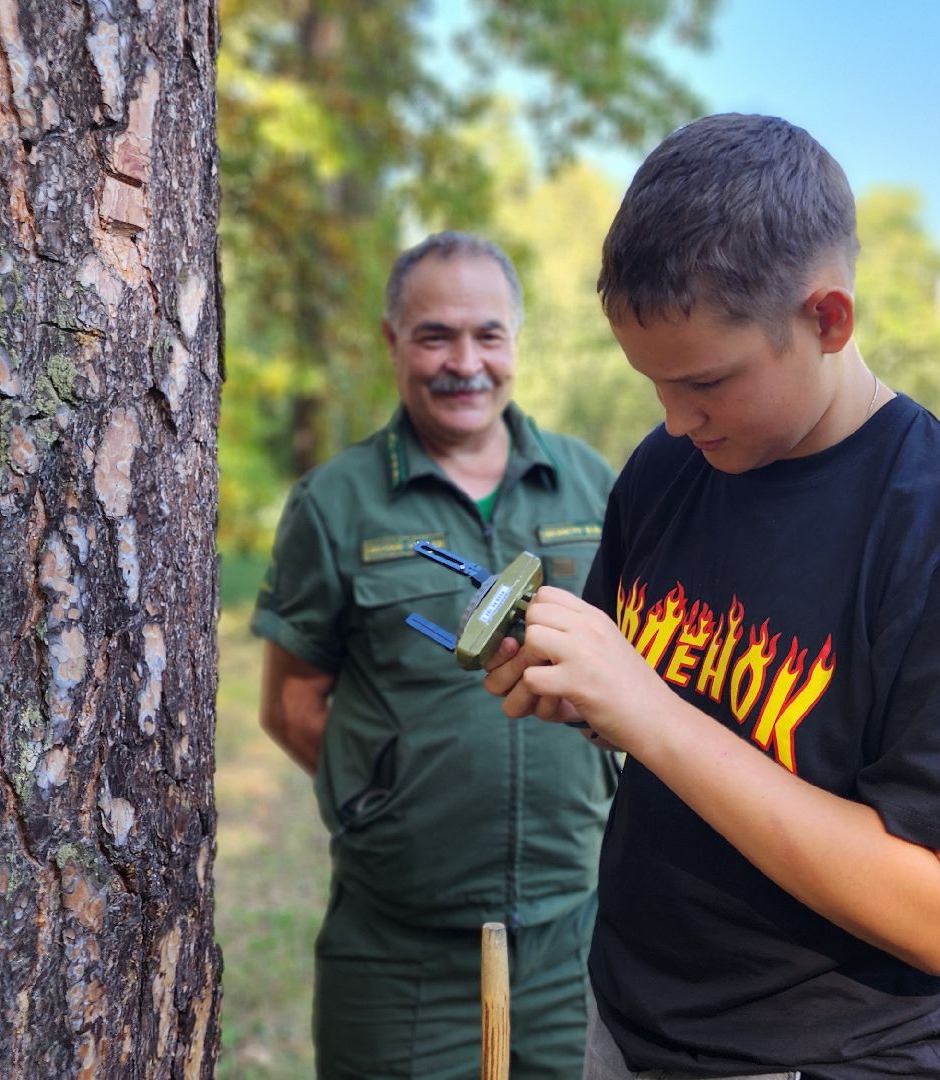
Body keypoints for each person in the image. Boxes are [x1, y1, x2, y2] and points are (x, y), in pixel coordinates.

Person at [484, 114, 940, 1079]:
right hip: (631, 1023)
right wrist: (572, 689)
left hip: (830, 1057)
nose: (675, 419)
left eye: (708, 380)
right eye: (654, 384)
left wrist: (650, 713)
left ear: (827, 319)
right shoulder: (672, 466)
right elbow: (650, 706)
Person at [251, 231, 621, 1079]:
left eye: (487, 335)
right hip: (398, 951)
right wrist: (389, 801)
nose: (466, 362)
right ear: (393, 342)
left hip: (578, 937)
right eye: (435, 336)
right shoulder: (334, 502)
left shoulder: (590, 485)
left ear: (515, 344)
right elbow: (291, 703)